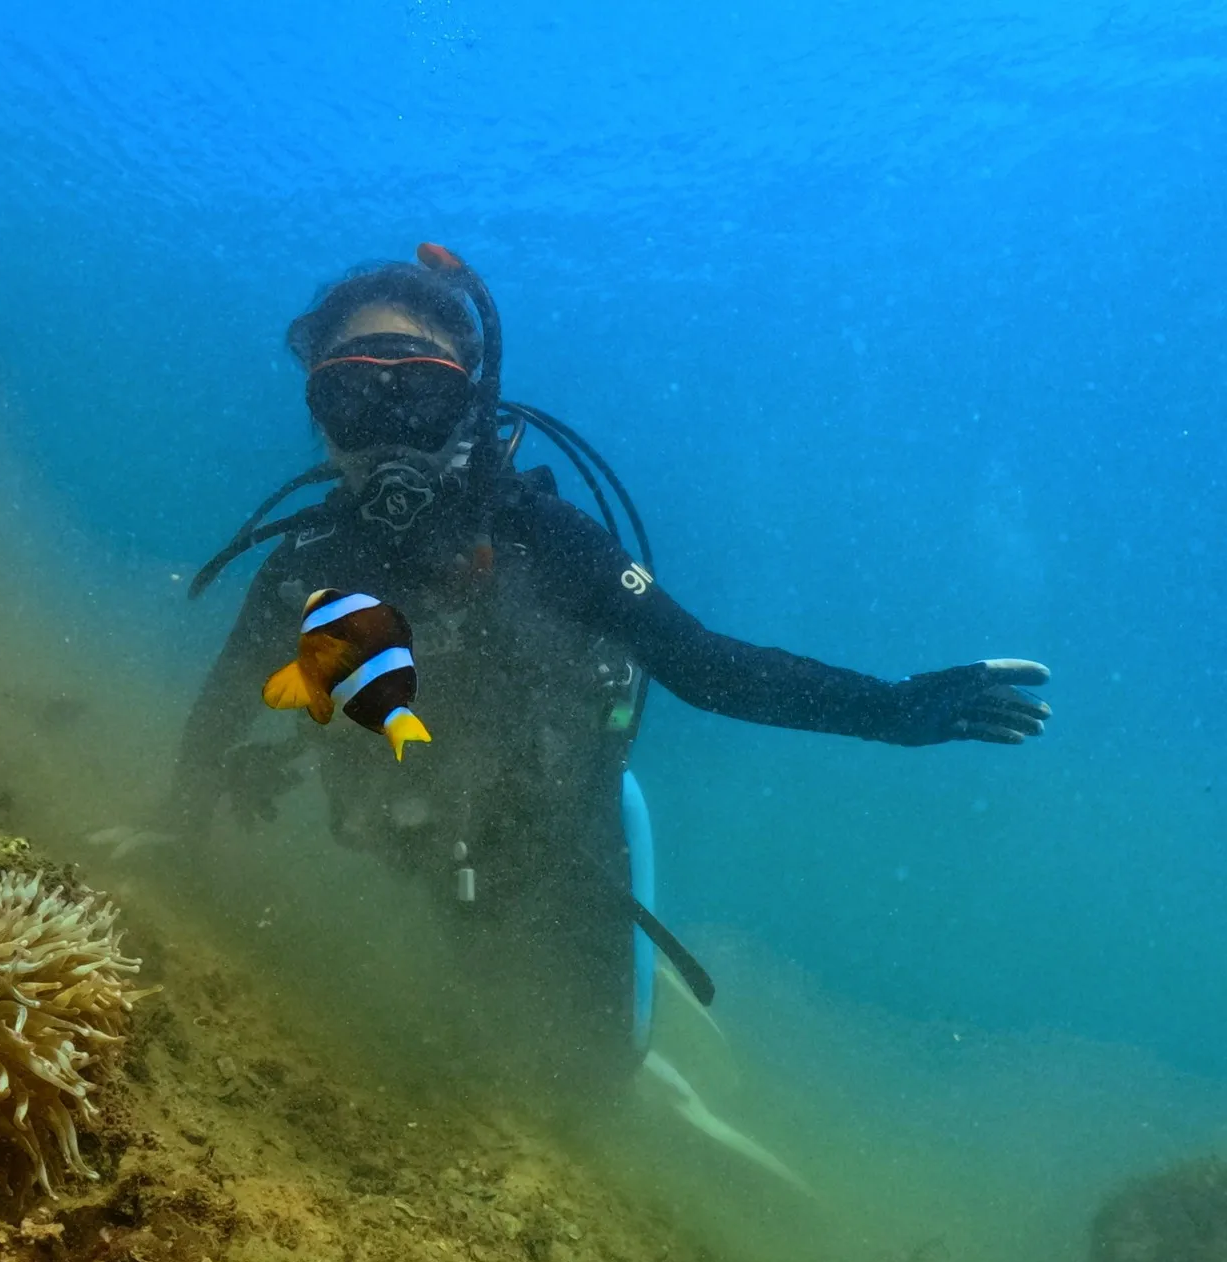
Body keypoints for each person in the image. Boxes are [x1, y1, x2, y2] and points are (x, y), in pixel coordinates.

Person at [171, 244, 1050, 1087]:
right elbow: (222, 703)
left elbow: (704, 666)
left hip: (563, 838)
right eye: (357, 398)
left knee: (587, 1081)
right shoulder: (308, 562)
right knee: (465, 1012)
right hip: (419, 839)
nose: (391, 433)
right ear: (322, 428)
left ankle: (659, 1059)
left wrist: (889, 711)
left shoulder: (547, 540)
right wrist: (175, 828)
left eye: (424, 399)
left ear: (473, 408)